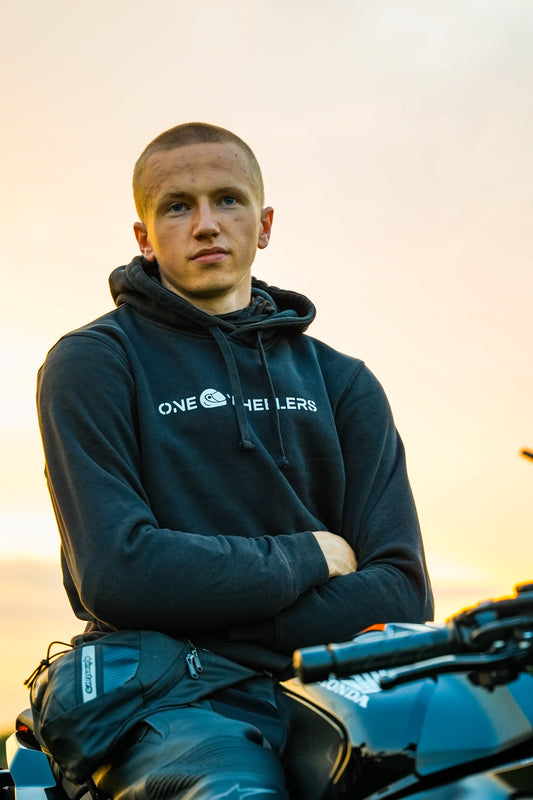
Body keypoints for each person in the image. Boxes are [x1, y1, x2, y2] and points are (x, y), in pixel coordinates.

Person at [36, 122, 434, 800]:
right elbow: (118, 572)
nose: (205, 225)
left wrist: (200, 601)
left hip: (338, 689)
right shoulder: (94, 363)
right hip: (175, 696)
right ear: (144, 237)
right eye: (176, 206)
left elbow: (401, 590)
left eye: (227, 200)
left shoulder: (343, 381)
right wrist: (306, 557)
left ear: (264, 222)